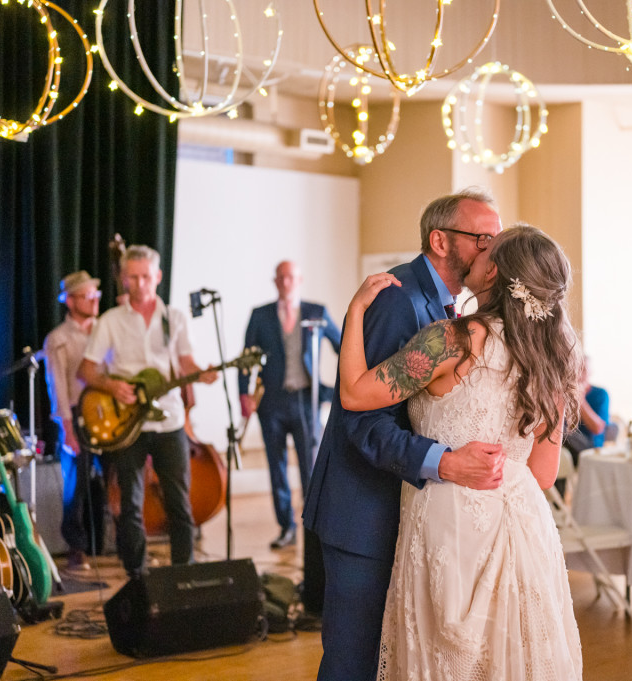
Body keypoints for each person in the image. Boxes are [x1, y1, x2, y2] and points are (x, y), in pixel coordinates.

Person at [339, 224, 583, 679]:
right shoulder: (555, 357)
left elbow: (354, 394)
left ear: (494, 274)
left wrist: (355, 311)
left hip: (450, 523)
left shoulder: (451, 340)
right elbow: (544, 475)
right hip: (525, 525)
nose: (479, 250)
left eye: (489, 248)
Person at [303, 188, 506, 681]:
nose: (491, 249)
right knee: (353, 661)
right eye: (482, 238)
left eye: (496, 239)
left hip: (406, 511)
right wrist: (446, 460)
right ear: (440, 239)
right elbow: (363, 421)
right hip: (362, 511)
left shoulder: (445, 306)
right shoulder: (399, 301)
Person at [78, 245, 216, 578]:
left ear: (158, 277)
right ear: (124, 279)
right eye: (133, 277)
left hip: (169, 420)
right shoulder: (110, 321)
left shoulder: (175, 318)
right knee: (130, 506)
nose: (140, 284)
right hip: (128, 423)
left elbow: (185, 363)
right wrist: (112, 387)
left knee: (180, 504)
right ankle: (136, 575)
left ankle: (183, 574)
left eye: (146, 277)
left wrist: (204, 372)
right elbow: (87, 369)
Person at [239, 260, 341, 550]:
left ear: (300, 280)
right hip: (271, 402)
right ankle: (286, 527)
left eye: (291, 277)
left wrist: (336, 390)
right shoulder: (260, 316)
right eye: (281, 277)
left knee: (310, 468)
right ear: (275, 281)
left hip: (305, 401)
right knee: (277, 468)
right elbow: (245, 358)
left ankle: (313, 528)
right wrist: (243, 395)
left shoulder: (316, 313)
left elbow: (343, 346)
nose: (286, 282)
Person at [44, 270, 102, 572]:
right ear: (69, 301)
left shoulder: (104, 329)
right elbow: (58, 387)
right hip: (77, 414)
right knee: (75, 483)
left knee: (117, 478)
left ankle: (113, 542)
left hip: (109, 412)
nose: (93, 300)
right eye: (86, 295)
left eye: (96, 294)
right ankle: (76, 547)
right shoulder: (58, 338)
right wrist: (67, 429)